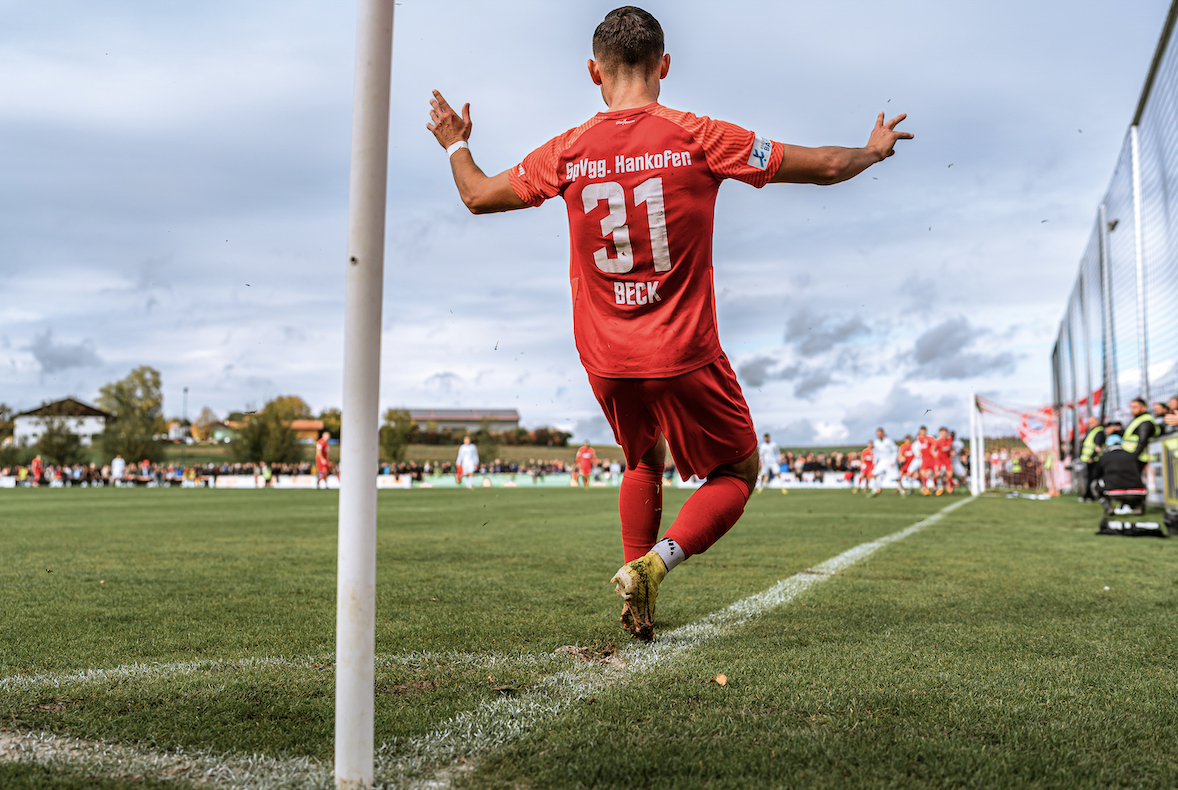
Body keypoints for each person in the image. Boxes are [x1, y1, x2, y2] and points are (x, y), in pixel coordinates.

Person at [427, 6, 911, 640]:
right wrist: (872, 151)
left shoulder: (566, 151)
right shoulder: (701, 136)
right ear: (665, 66)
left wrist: (456, 142)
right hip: (684, 352)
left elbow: (477, 196)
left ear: (594, 72)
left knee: (641, 460)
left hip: (606, 359)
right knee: (736, 473)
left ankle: (637, 588)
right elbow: (821, 165)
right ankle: (655, 564)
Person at [1090, 434, 1147, 516]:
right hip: (1137, 491)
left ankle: (1108, 507)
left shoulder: (1104, 457)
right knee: (1141, 482)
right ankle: (1139, 506)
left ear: (1108, 445)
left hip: (1113, 490)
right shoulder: (1131, 455)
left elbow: (1096, 474)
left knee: (1094, 484)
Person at [1122, 397, 1158, 473]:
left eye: (1135, 407)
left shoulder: (1145, 421)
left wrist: (1133, 456)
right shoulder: (1137, 419)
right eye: (1131, 407)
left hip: (1139, 458)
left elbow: (1142, 440)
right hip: (1133, 456)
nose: (1132, 410)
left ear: (1143, 408)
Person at [869, 428, 903, 497]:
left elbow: (895, 450)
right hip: (881, 461)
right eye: (878, 434)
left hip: (889, 461)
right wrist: (874, 461)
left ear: (883, 433)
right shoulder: (876, 442)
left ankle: (902, 490)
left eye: (880, 434)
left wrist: (893, 460)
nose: (879, 435)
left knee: (896, 477)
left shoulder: (888, 441)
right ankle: (875, 490)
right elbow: (876, 453)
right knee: (873, 474)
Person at [1078, 416, 1105, 501]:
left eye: (1091, 422)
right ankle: (1088, 495)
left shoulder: (1099, 432)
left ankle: (1090, 496)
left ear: (1097, 422)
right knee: (1090, 478)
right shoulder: (1093, 431)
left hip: (1094, 460)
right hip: (1090, 459)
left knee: (1092, 478)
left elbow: (1097, 447)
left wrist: (1091, 457)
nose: (1089, 424)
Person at [933, 427, 953, 495]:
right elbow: (932, 449)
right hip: (940, 460)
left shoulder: (950, 439)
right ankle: (935, 487)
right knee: (937, 474)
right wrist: (934, 454)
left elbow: (951, 447)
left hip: (947, 459)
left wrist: (952, 451)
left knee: (950, 474)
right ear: (940, 433)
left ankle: (950, 489)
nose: (944, 433)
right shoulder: (938, 441)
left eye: (945, 432)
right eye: (942, 432)